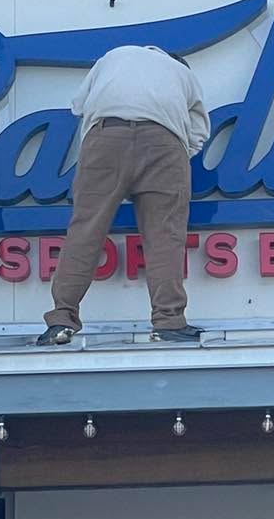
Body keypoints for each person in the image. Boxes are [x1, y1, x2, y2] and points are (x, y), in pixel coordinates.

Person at [37, 45, 210, 345]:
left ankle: (61, 320)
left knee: (86, 231)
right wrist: (179, 153)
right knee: (165, 236)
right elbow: (198, 131)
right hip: (164, 142)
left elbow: (78, 106)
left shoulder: (113, 56)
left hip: (106, 137)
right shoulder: (183, 73)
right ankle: (168, 321)